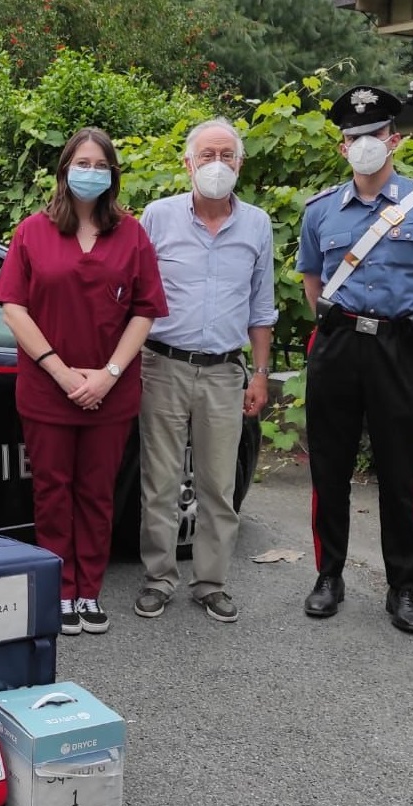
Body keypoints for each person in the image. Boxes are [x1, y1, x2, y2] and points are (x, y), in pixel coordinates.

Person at [295, 85, 413, 634]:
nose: (364, 144)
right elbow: (312, 282)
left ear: (394, 139)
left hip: (398, 347)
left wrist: (404, 331)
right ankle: (329, 575)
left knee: (400, 472)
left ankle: (404, 588)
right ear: (342, 147)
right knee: (329, 466)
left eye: (373, 134)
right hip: (339, 345)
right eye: (353, 137)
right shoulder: (320, 210)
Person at [0, 127, 168, 636]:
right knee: (52, 492)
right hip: (49, 387)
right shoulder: (32, 232)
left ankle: (88, 590)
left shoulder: (131, 234)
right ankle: (59, 590)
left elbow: (144, 311)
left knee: (97, 494)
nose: (89, 172)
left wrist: (109, 374)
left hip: (110, 392)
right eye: (81, 163)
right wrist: (61, 370)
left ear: (112, 175)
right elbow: (12, 308)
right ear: (65, 169)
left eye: (100, 165)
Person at [133, 118, 277, 624]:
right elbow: (135, 296)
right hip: (163, 364)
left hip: (223, 372)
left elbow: (262, 308)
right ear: (188, 163)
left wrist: (259, 373)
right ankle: (158, 578)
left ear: (240, 163)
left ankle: (211, 583)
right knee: (161, 482)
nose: (217, 164)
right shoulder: (157, 217)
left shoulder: (257, 224)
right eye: (207, 154)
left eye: (227, 155)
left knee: (218, 484)